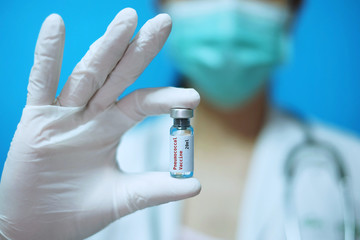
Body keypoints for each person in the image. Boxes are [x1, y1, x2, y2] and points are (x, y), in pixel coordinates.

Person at [1, 1, 359, 240]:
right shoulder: (91, 166)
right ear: (164, 7)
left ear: (293, 11)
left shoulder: (351, 167)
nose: (228, 12)